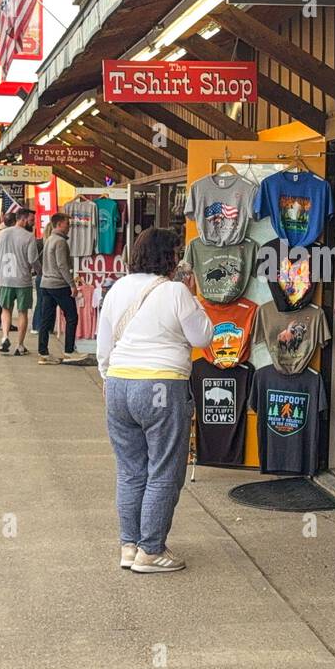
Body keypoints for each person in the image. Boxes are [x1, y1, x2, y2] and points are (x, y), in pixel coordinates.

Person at [97, 228, 212, 574]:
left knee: (130, 469)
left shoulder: (118, 287)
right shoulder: (176, 291)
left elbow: (104, 344)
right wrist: (194, 297)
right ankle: (152, 550)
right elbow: (203, 336)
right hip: (162, 385)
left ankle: (129, 546)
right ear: (169, 257)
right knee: (163, 469)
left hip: (118, 383)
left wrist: (108, 378)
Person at [0, 208, 40, 356]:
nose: (33, 223)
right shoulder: (29, 237)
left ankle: (5, 337)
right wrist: (41, 272)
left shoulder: (1, 234)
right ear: (23, 219)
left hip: (5, 278)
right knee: (22, 312)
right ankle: (20, 345)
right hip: (22, 280)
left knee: (6, 309)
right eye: (31, 220)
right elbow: (33, 260)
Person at [37, 213, 80, 364]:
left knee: (46, 319)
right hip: (59, 285)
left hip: (46, 283)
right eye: (67, 224)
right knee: (72, 316)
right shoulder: (61, 242)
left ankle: (43, 353)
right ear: (60, 224)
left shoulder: (49, 239)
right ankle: (69, 350)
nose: (69, 227)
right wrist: (72, 285)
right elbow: (63, 265)